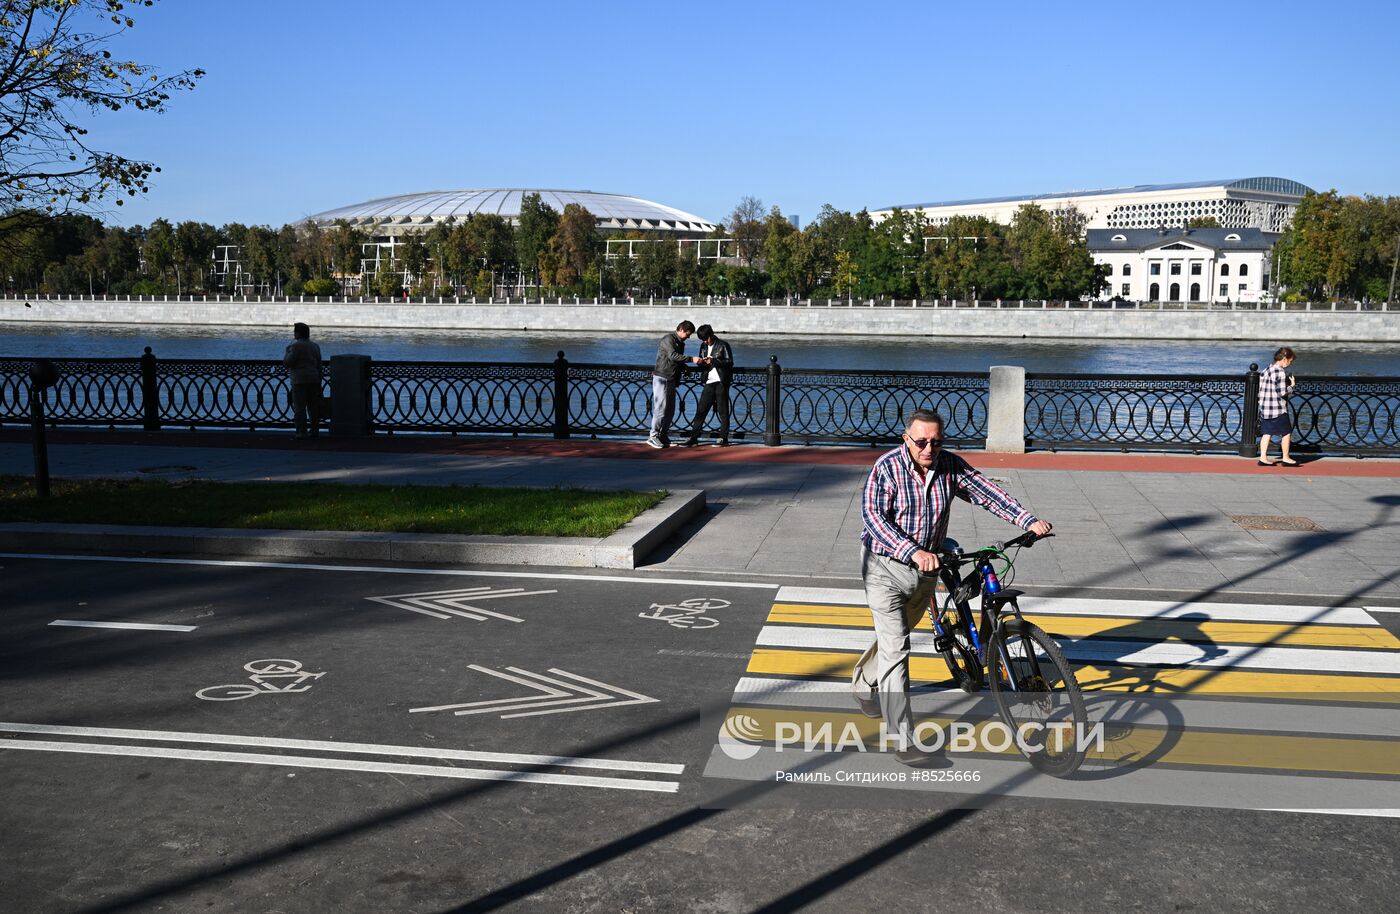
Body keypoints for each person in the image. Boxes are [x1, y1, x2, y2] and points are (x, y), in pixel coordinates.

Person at [855, 408, 1052, 765]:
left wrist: (1029, 520)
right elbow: (873, 517)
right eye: (921, 442)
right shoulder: (886, 467)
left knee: (894, 639)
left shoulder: (949, 465)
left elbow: (988, 493)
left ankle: (863, 682)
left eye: (936, 441)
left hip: (927, 569)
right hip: (884, 568)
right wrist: (911, 550)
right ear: (906, 439)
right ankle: (904, 741)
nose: (929, 448)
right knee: (897, 648)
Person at [647, 320, 698, 449]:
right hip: (662, 377)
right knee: (661, 408)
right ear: (681, 329)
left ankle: (663, 435)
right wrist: (692, 359)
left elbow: (677, 360)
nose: (689, 336)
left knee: (670, 410)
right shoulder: (668, 339)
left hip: (672, 379)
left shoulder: (680, 343)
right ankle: (653, 436)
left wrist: (685, 367)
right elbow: (673, 355)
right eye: (688, 333)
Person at [681, 324, 733, 447]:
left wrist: (714, 360)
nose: (705, 341)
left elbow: (730, 362)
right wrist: (701, 362)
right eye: (702, 340)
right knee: (701, 410)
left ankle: (723, 438)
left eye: (706, 339)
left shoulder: (723, 345)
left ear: (711, 335)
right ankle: (693, 438)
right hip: (709, 382)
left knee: (723, 411)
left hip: (721, 382)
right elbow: (703, 364)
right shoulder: (703, 346)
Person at [1257, 346, 1298, 466]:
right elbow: (1282, 392)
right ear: (1284, 359)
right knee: (1286, 432)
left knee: (1267, 433)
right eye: (1290, 361)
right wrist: (1292, 386)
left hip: (1265, 408)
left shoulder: (1266, 370)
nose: (1289, 364)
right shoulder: (1279, 372)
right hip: (1278, 408)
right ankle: (1286, 458)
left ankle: (1263, 458)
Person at [283, 322, 323, 439]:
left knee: (300, 407)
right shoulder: (315, 346)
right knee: (313, 407)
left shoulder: (295, 346)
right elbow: (319, 364)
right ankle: (315, 430)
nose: (293, 334)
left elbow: (288, 363)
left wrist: (286, 352)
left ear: (298, 333)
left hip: (299, 380)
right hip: (314, 379)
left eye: (294, 331)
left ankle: (301, 431)